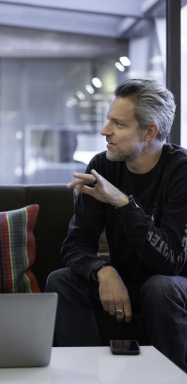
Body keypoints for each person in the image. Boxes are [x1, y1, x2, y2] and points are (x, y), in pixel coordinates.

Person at [46, 78, 187, 370]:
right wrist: (103, 270)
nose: (104, 131)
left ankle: (171, 377)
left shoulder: (181, 172)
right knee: (60, 280)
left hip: (175, 285)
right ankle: (81, 376)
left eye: (118, 125)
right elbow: (75, 244)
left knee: (160, 287)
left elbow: (171, 261)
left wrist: (123, 203)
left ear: (149, 131)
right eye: (108, 120)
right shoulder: (103, 166)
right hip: (122, 282)